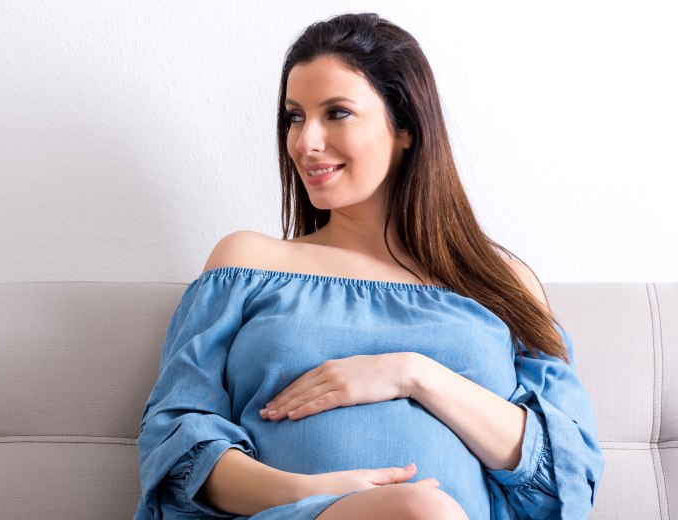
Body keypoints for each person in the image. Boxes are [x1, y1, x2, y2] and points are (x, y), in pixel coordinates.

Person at [134, 12, 605, 520]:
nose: (304, 142)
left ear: (404, 127)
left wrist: (413, 375)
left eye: (336, 113)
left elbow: (564, 477)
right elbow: (178, 443)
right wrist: (321, 494)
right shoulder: (246, 263)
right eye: (294, 116)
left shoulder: (504, 285)